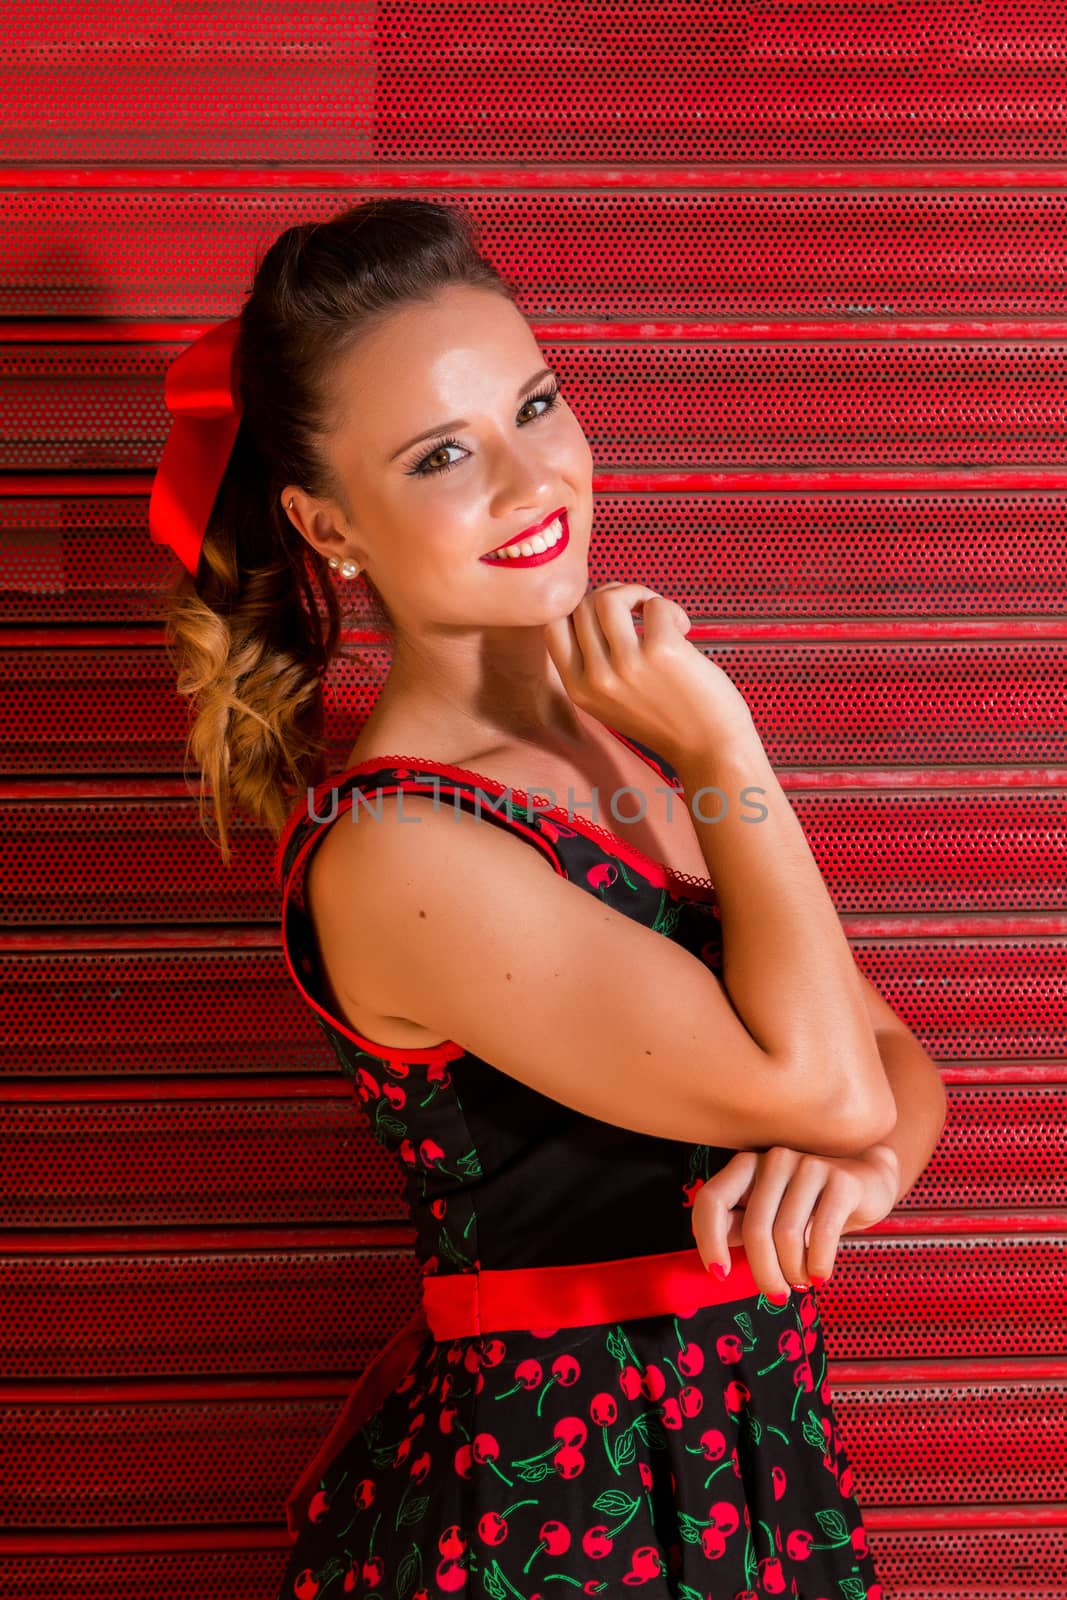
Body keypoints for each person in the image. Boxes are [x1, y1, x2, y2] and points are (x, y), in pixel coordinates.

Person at [150, 197, 927, 1599]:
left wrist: (860, 1170)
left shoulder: (606, 729)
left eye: (537, 404)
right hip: (571, 1512)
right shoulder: (401, 848)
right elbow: (833, 1077)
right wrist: (726, 754)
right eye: (446, 454)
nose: (532, 479)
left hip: (745, 1459)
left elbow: (892, 1065)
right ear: (328, 521)